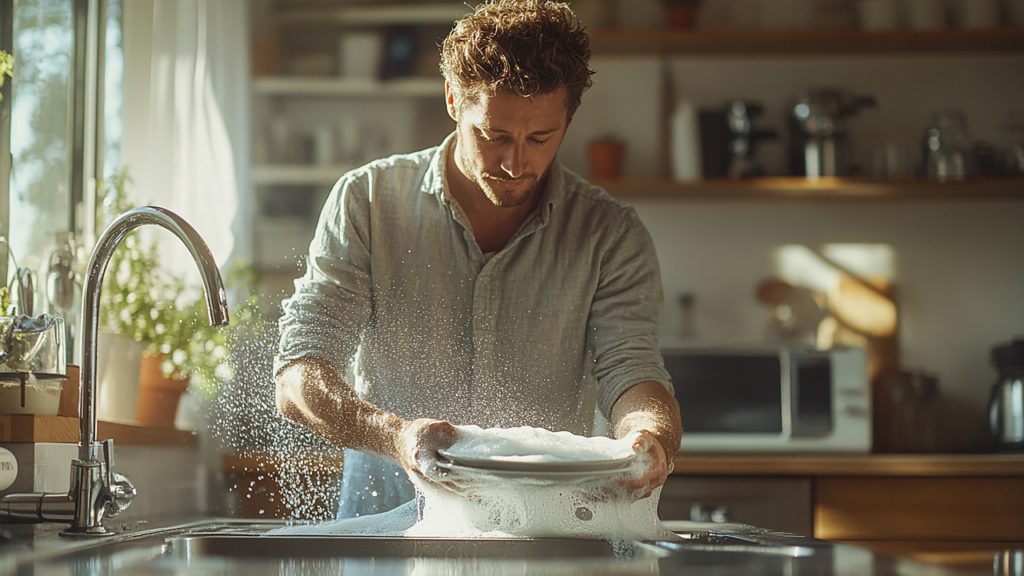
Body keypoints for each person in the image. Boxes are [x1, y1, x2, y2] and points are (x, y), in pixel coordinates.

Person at [274, 0, 682, 518]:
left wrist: (649, 439)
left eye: (541, 138)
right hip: (386, 533)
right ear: (452, 98)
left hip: (543, 532)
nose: (515, 163)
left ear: (569, 119)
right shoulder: (368, 201)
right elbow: (299, 374)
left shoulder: (610, 233)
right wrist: (397, 438)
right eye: (494, 136)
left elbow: (634, 371)